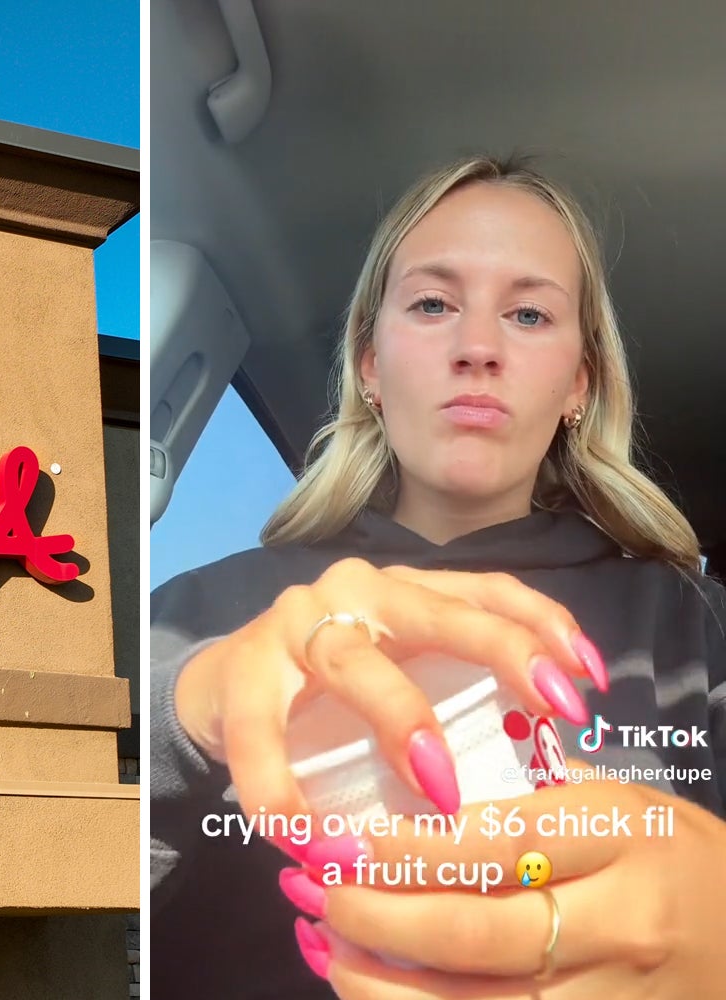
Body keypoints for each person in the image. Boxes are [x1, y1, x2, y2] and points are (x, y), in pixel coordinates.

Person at [152, 155, 726, 997]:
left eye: (528, 314)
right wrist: (180, 722)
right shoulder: (193, 614)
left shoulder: (697, 627)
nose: (478, 349)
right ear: (370, 365)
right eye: (432, 304)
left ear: (578, 383)